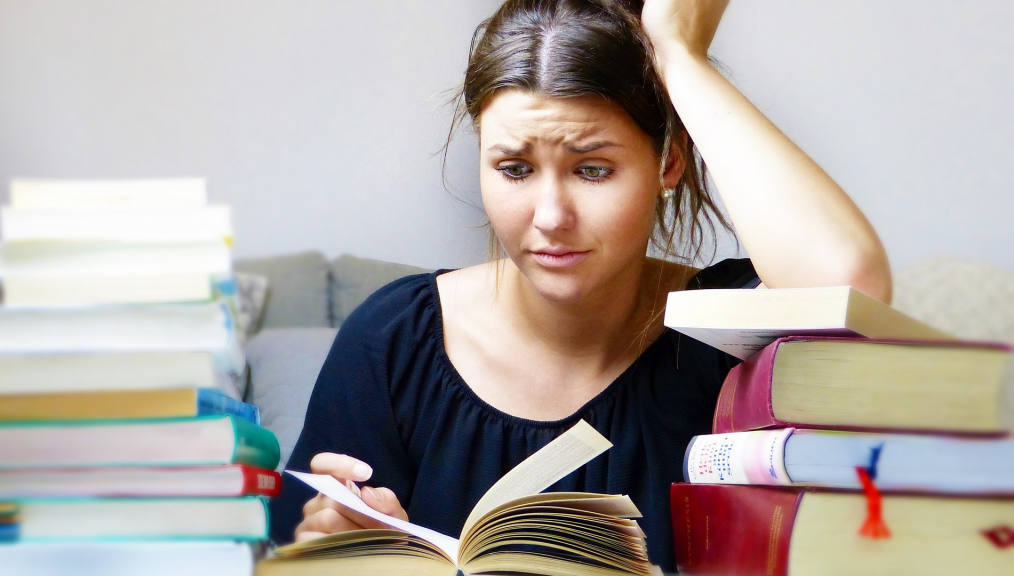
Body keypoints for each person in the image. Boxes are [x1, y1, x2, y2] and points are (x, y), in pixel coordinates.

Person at [269, 0, 891, 571]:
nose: (550, 217)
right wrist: (333, 546)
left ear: (668, 162)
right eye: (514, 169)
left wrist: (678, 53)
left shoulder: (721, 338)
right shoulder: (392, 341)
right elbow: (305, 549)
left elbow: (850, 284)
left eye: (593, 170)